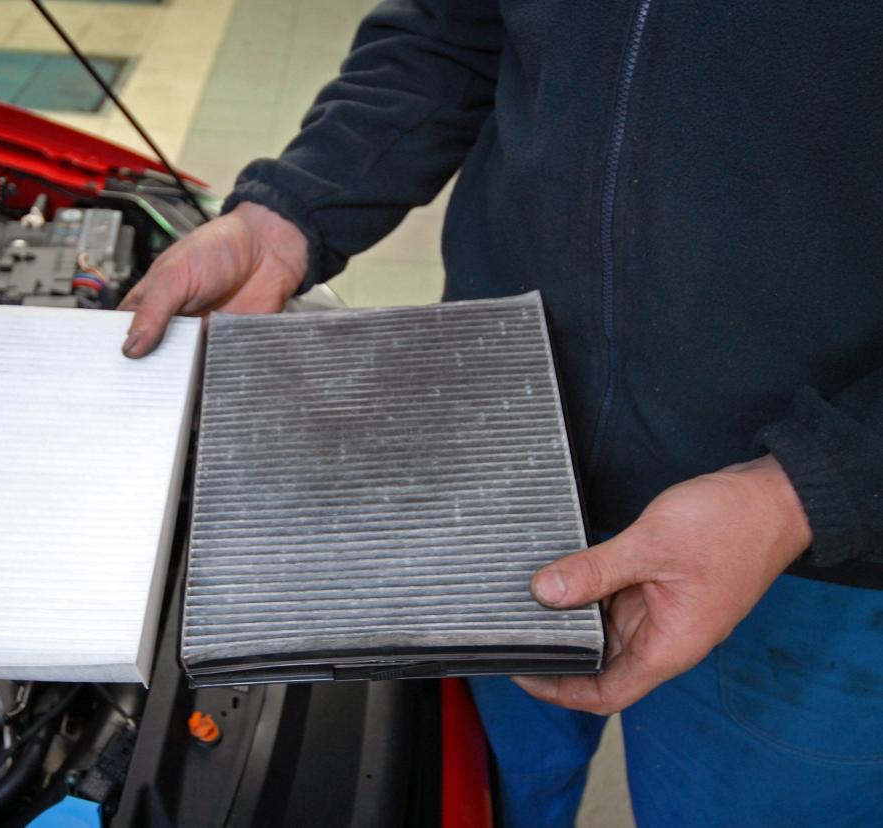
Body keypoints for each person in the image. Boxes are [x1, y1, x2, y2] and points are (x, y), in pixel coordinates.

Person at [119, 2, 883, 825]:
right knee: (491, 792)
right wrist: (288, 212)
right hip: (493, 464)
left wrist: (811, 487)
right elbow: (453, 27)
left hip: (809, 554)